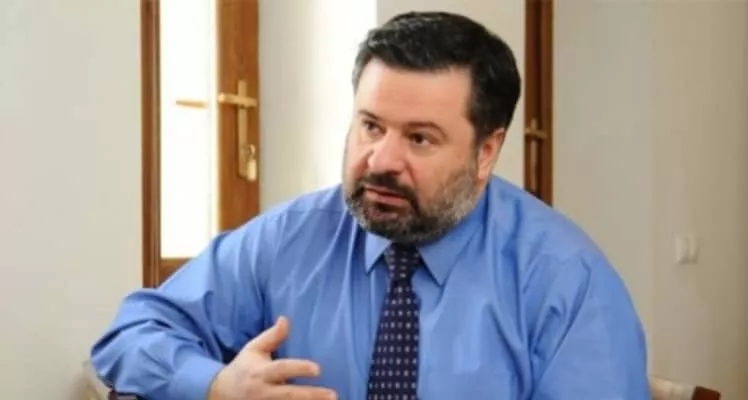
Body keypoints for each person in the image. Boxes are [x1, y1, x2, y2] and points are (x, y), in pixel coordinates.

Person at [91, 11, 650, 400]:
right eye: (371, 126)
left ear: (486, 152)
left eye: (419, 138)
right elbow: (132, 332)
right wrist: (215, 385)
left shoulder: (565, 281)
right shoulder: (292, 238)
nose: (380, 160)